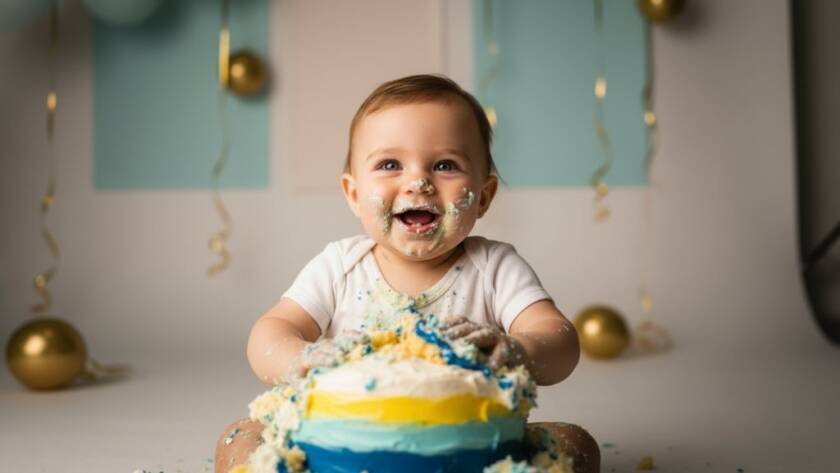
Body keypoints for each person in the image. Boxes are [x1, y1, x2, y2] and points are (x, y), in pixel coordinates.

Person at [215, 74, 600, 473]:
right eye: (390, 164)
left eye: (445, 165)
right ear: (353, 194)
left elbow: (561, 341)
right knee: (241, 435)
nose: (418, 182)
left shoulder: (495, 267)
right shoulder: (339, 267)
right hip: (336, 448)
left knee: (574, 441)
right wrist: (301, 359)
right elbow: (270, 332)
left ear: (483, 196)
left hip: (469, 450)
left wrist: (517, 351)